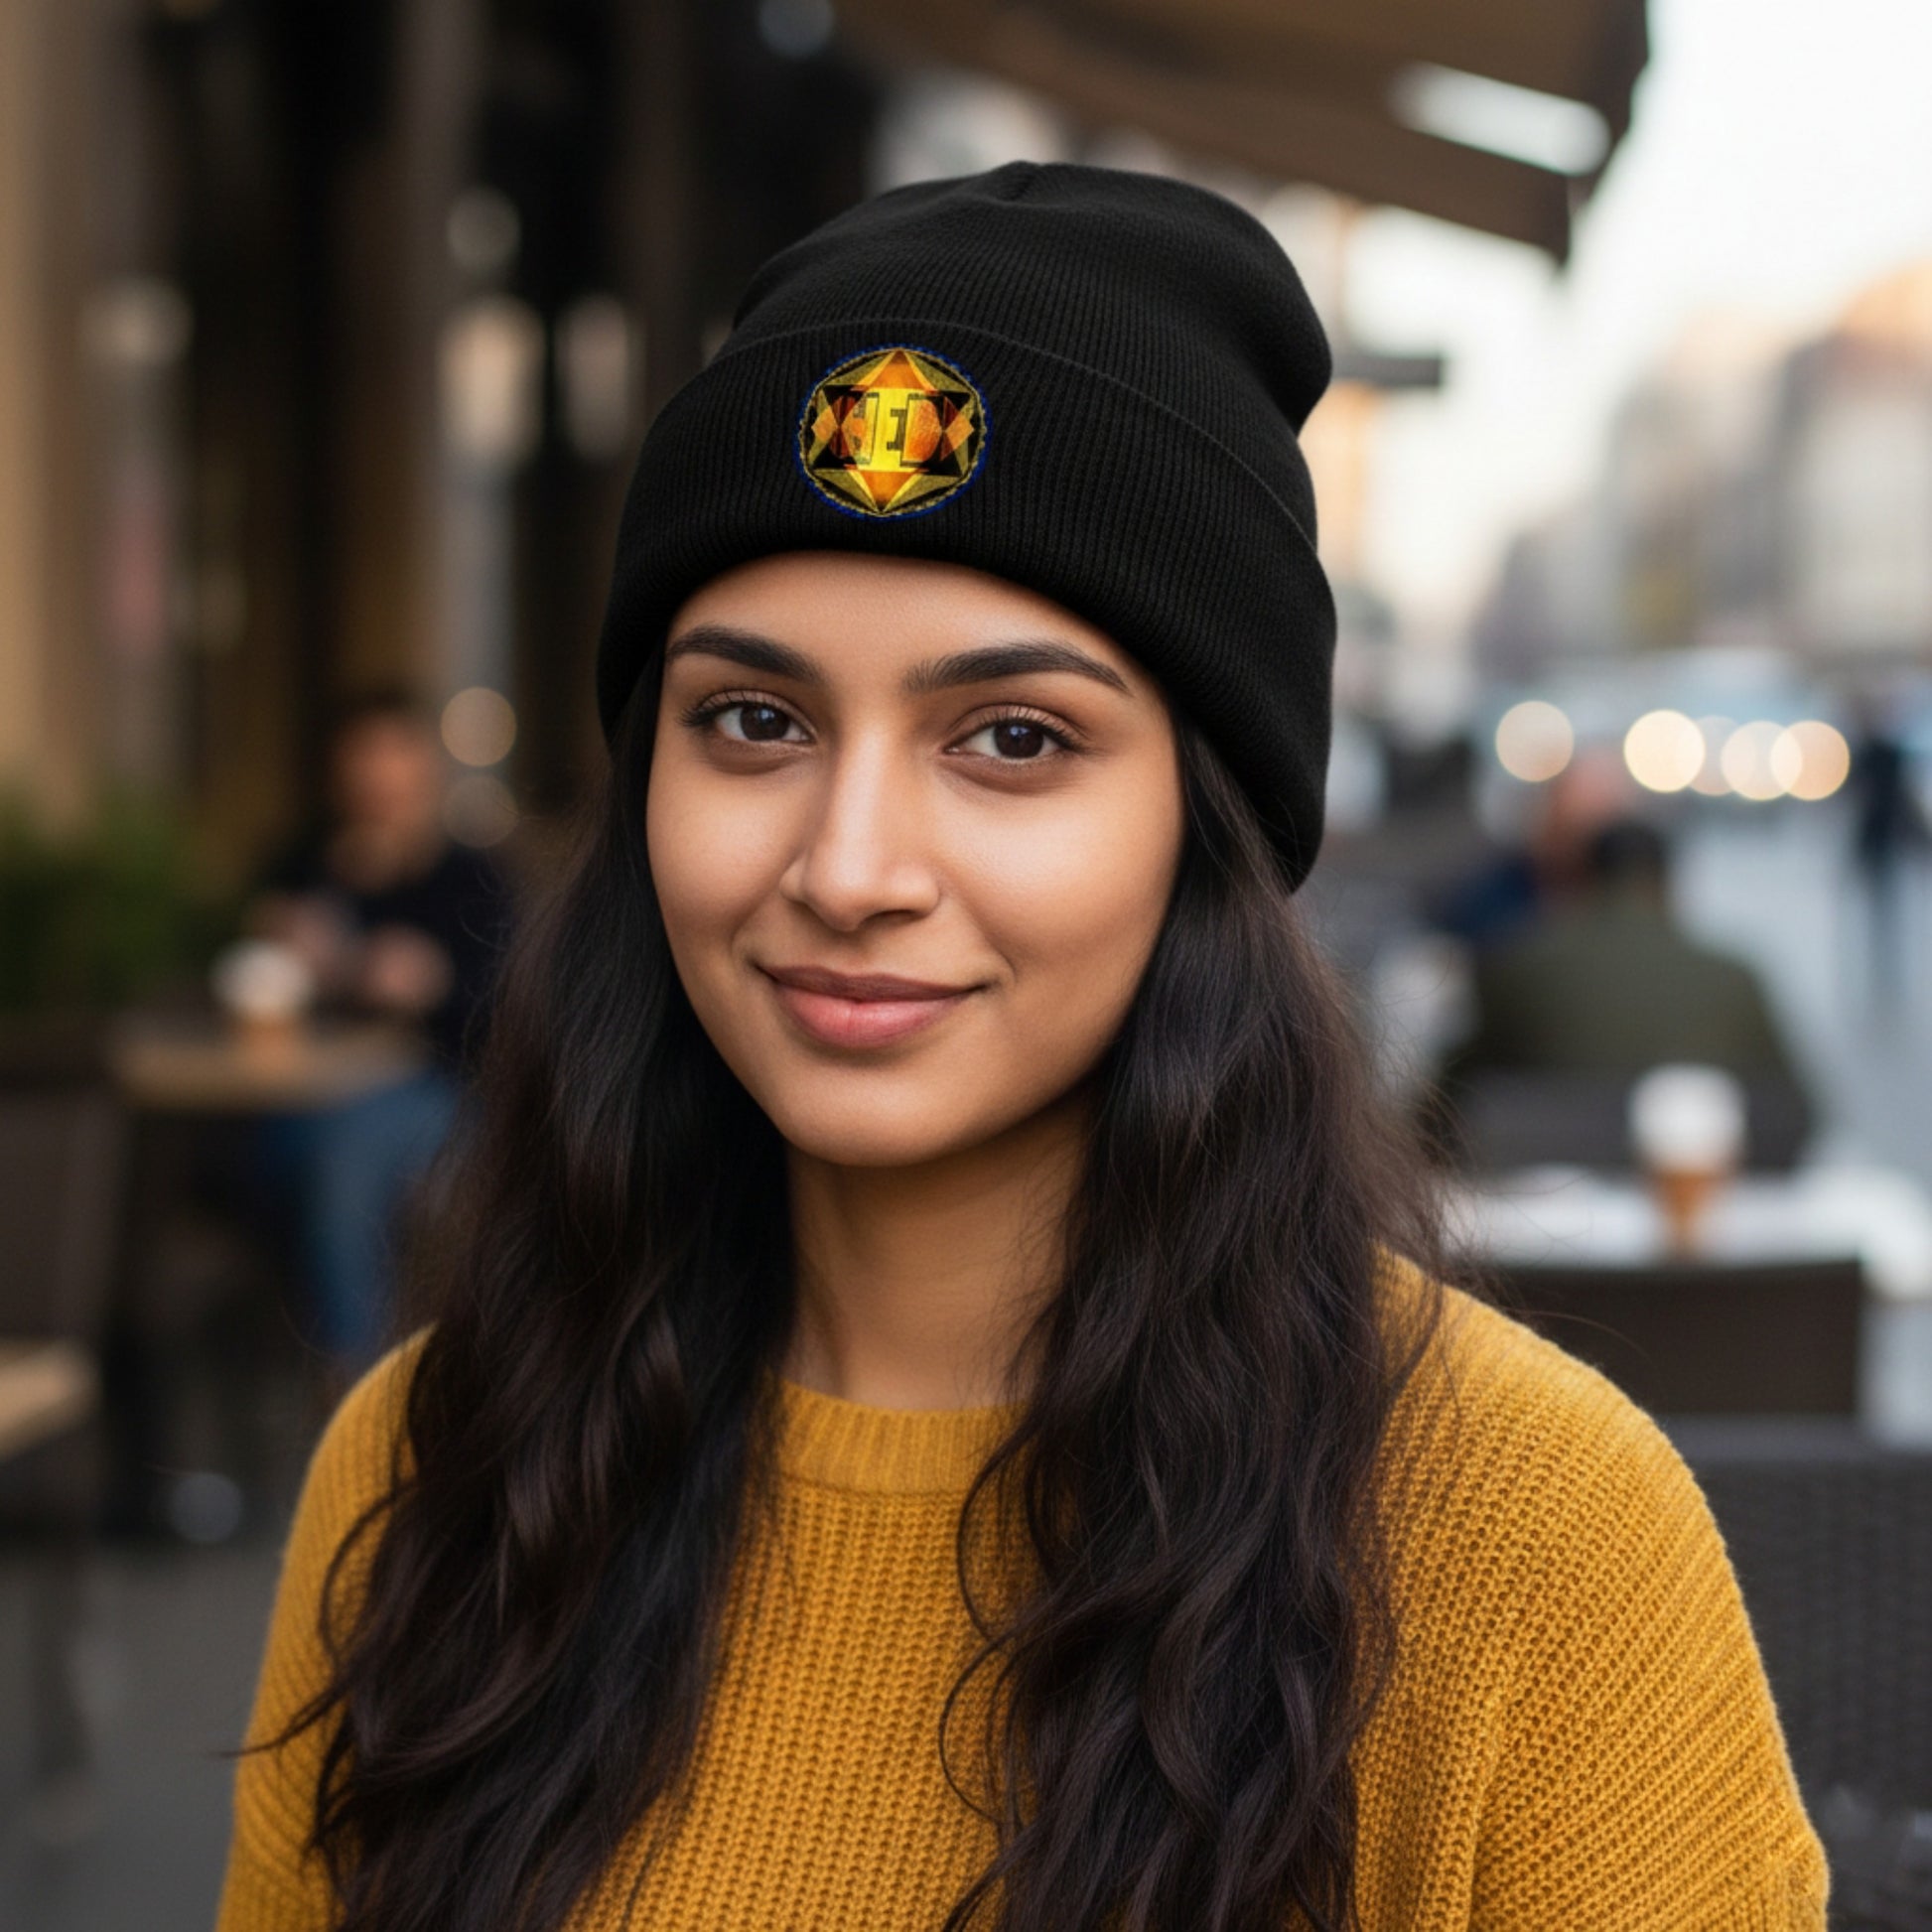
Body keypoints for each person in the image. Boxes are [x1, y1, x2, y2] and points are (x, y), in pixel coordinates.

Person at [216, 166, 1825, 1931]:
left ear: (1202, 832)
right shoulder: (439, 1458)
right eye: (753, 720)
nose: (847, 869)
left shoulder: (1535, 1542)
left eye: (1011, 738)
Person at [247, 692, 513, 1365]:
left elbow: (508, 1013)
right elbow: (258, 974)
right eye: (364, 760)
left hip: (432, 1088)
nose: (380, 779)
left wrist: (437, 985)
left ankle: (355, 1384)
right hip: (296, 1090)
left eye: (395, 756)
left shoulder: (467, 877)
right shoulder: (303, 865)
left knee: (348, 1160)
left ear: (427, 771)